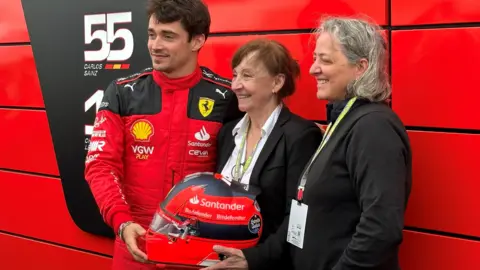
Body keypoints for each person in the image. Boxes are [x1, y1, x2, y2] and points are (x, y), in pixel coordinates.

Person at [205, 16, 412, 270]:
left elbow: (381, 229)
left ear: (360, 67)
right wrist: (252, 258)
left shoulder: (374, 127)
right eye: (315, 58)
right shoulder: (344, 122)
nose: (313, 68)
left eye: (325, 60)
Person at [84, 0, 243, 269]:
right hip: (136, 244)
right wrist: (122, 222)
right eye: (151, 34)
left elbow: (241, 176)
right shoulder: (122, 91)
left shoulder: (227, 96)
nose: (155, 45)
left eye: (168, 36)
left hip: (201, 250)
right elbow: (100, 165)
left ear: (197, 40)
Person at [214, 38, 323, 268]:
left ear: (277, 82)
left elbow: (298, 218)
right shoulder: (227, 133)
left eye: (247, 76)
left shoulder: (301, 136)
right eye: (235, 75)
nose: (235, 85)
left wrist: (252, 260)